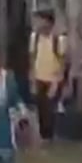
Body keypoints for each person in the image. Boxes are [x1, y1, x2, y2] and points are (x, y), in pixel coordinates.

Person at [29, 9, 67, 141]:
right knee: (40, 110)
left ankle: (51, 138)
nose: (38, 24)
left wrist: (56, 84)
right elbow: (32, 59)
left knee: (51, 112)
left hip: (53, 80)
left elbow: (62, 63)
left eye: (40, 20)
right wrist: (33, 80)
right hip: (39, 78)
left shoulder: (59, 39)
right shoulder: (35, 38)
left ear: (48, 22)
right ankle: (43, 137)